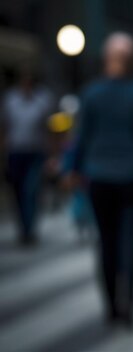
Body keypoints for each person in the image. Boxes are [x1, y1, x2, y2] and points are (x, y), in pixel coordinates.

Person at [66, 32, 133, 328]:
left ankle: (111, 307)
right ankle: (130, 304)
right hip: (132, 177)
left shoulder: (90, 94)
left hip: (98, 176)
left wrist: (73, 173)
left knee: (105, 242)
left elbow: (81, 138)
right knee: (130, 241)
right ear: (132, 60)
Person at [1, 67, 54, 247]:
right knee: (17, 192)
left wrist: (52, 154)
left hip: (36, 152)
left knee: (30, 190)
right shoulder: (10, 100)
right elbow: (5, 127)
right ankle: (22, 227)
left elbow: (49, 128)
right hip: (16, 152)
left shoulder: (43, 99)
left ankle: (29, 229)